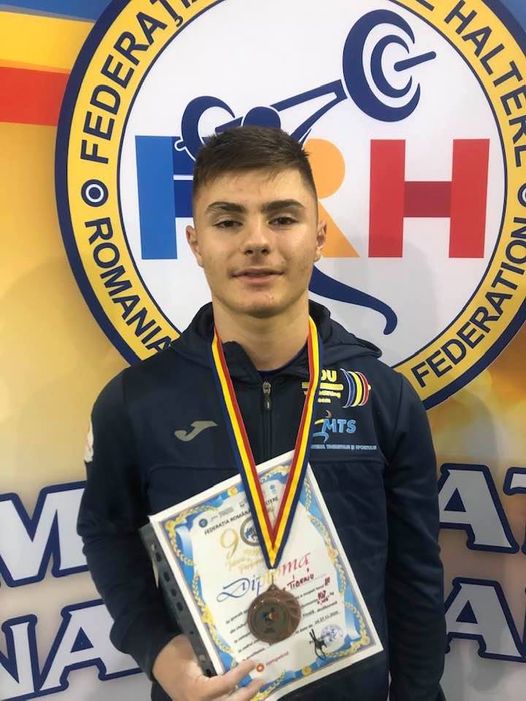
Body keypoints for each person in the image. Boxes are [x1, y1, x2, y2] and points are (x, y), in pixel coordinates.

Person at [78, 126, 446, 701]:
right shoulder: (134, 402)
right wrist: (160, 653)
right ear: (196, 242)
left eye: (282, 218)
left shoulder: (383, 398)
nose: (257, 241)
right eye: (228, 222)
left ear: (318, 236)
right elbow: (106, 534)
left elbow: (416, 576)